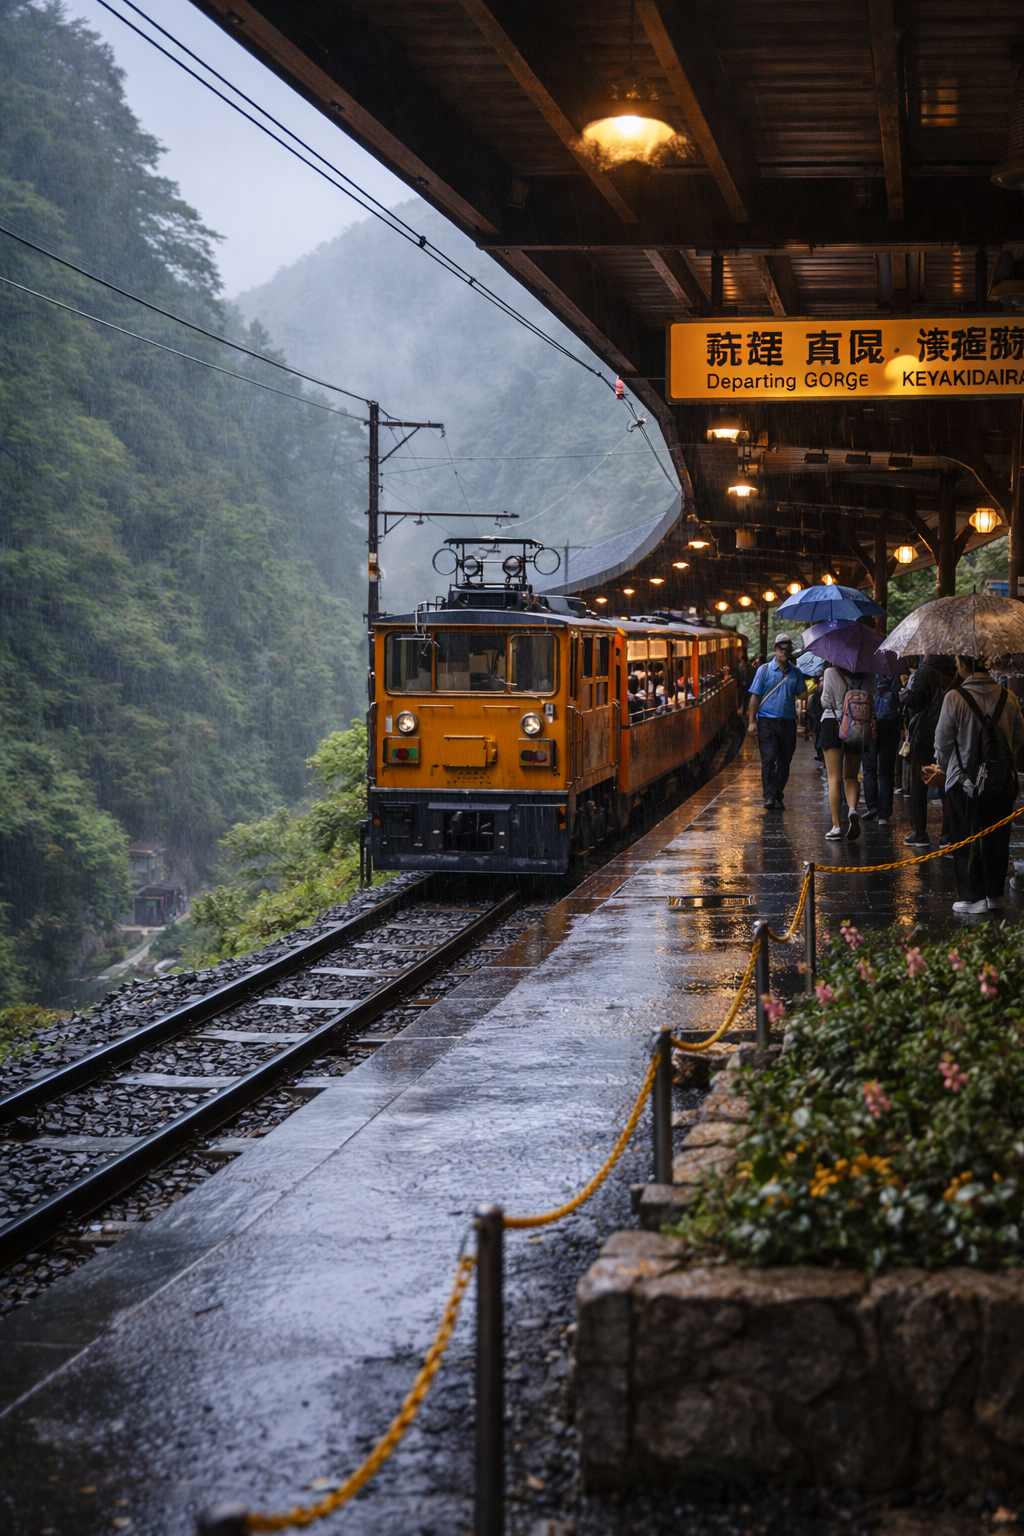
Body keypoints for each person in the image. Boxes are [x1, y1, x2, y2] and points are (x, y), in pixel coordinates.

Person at [930, 655, 1024, 914]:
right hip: (1001, 781)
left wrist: (947, 766)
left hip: (962, 781)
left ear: (962, 665)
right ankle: (994, 894)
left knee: (965, 835)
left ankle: (973, 897)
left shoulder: (954, 698)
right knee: (997, 835)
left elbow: (942, 744)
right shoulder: (1009, 697)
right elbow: (1018, 739)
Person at [747, 634, 807, 810]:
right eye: (781, 649)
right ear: (775, 649)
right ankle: (769, 796)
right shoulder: (764, 670)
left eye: (787, 649)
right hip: (767, 721)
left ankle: (777, 793)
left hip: (788, 722)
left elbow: (802, 693)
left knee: (785, 760)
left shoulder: (795, 673)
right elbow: (755, 697)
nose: (784, 652)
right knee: (769, 757)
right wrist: (751, 722)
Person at [900, 654, 954, 849]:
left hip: (924, 733)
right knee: (946, 783)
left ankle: (920, 832)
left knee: (919, 782)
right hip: (948, 732)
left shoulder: (924, 671)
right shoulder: (954, 671)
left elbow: (913, 699)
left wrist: (904, 690)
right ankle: (947, 834)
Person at [819, 663, 875, 840]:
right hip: (857, 725)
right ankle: (852, 809)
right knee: (851, 776)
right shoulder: (869, 675)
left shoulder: (830, 672)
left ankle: (836, 827)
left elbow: (825, 702)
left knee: (833, 778)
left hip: (832, 723)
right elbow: (872, 700)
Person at [861, 672, 900, 824]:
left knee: (869, 768)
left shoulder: (867, 671)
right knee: (886, 770)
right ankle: (884, 813)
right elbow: (898, 698)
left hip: (869, 722)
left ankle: (872, 807)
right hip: (890, 723)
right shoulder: (895, 671)